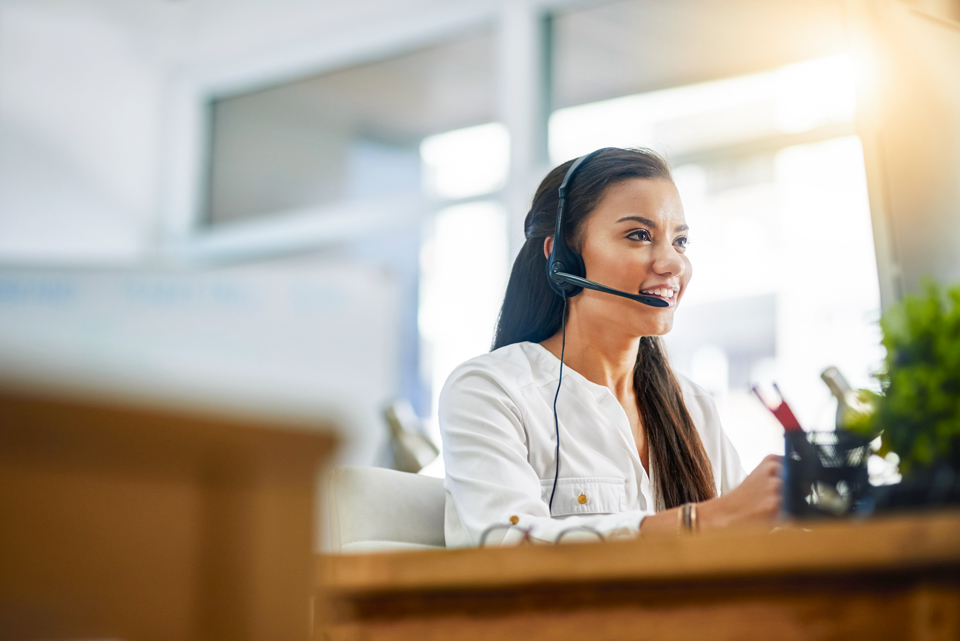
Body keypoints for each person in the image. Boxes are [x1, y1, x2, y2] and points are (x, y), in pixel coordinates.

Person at [439, 147, 783, 548]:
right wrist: (699, 521)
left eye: (681, 241)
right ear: (564, 256)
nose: (672, 263)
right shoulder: (490, 390)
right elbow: (511, 541)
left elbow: (745, 538)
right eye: (639, 235)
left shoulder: (692, 405)